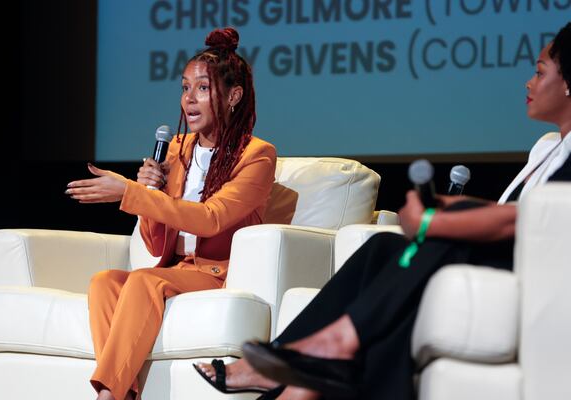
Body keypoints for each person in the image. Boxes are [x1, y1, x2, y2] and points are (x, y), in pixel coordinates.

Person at [194, 22, 571, 400]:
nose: (528, 83)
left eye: (539, 72)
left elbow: (532, 220)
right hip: (508, 253)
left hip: (537, 270)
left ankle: (330, 347)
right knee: (381, 250)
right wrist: (445, 206)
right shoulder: (547, 149)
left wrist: (434, 220)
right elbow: (512, 210)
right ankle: (298, 373)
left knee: (438, 242)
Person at [65, 27, 276, 400]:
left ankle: (107, 396)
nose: (188, 100)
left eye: (202, 88)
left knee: (145, 282)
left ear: (234, 96)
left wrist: (131, 194)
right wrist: (150, 191)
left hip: (218, 273)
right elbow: (154, 239)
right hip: (177, 268)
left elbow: (211, 218)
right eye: (184, 88)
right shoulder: (177, 149)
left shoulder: (256, 155)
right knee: (105, 282)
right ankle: (125, 393)